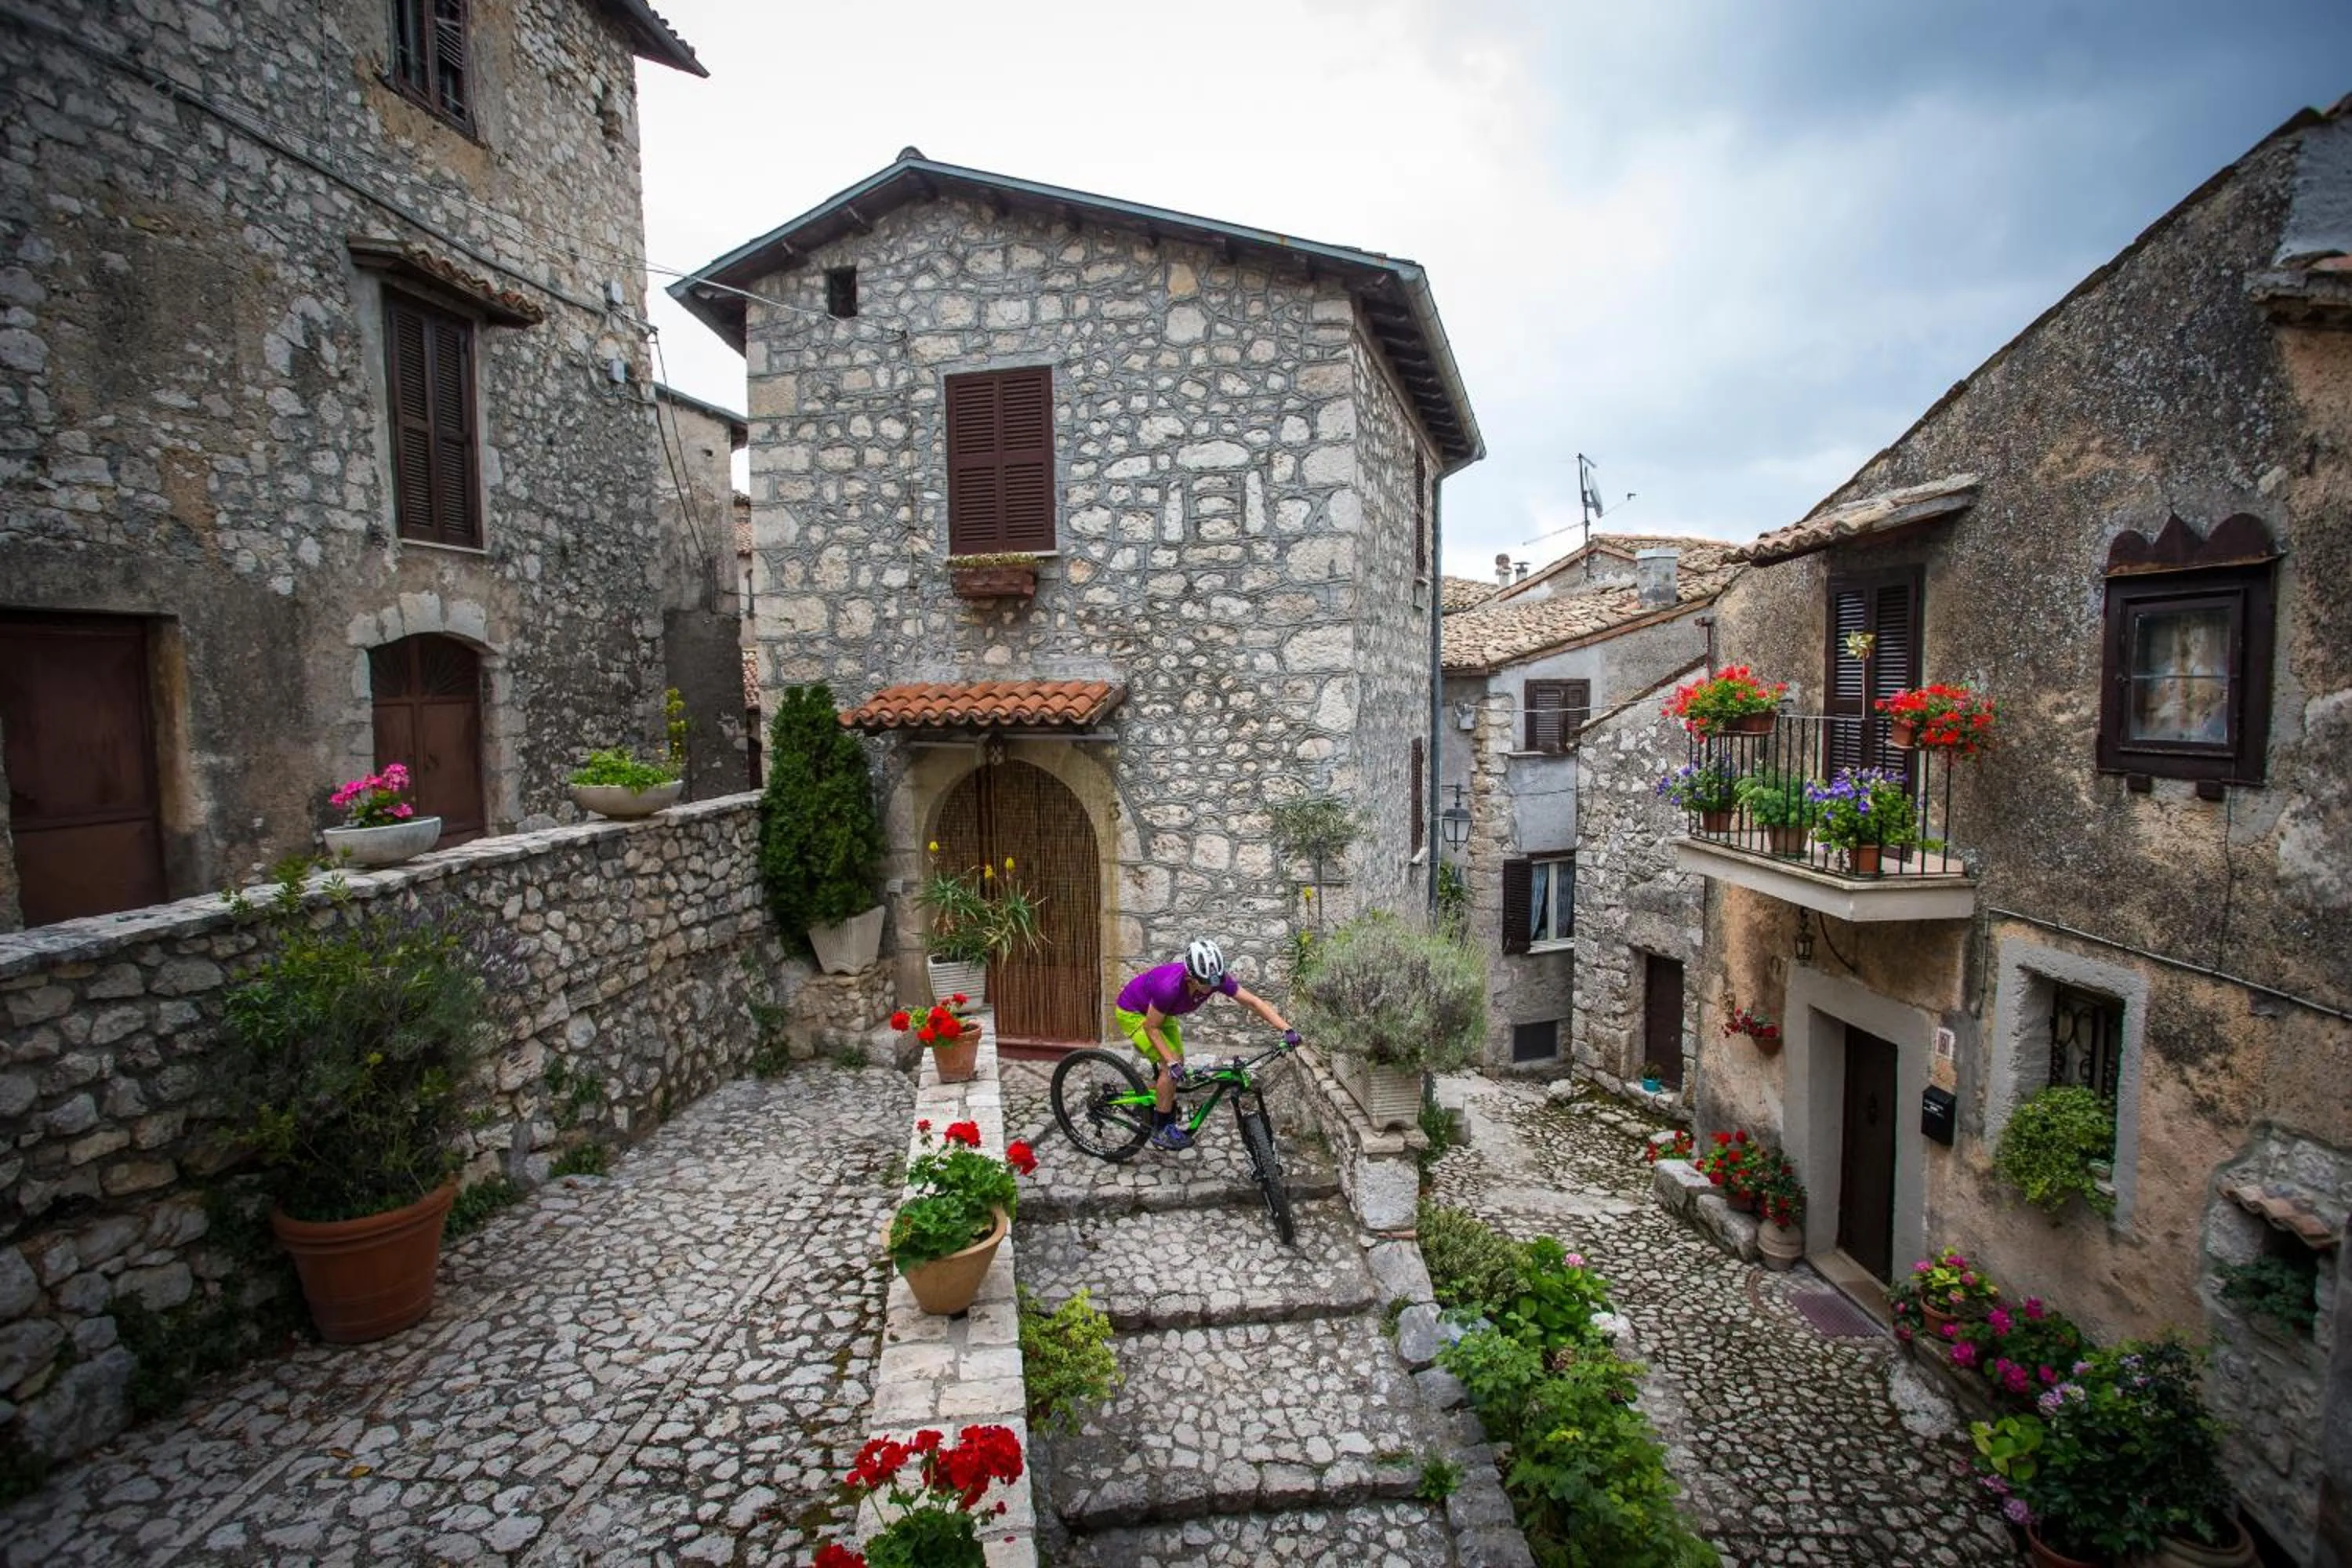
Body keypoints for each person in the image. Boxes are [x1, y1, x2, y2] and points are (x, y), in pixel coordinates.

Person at [1113, 938, 1296, 1150]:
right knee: (1169, 1067)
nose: (1210, 988)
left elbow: (1253, 1002)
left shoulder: (1214, 978)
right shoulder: (1169, 987)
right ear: (1190, 977)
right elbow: (1151, 1028)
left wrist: (1286, 1029)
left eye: (1215, 983)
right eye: (1205, 984)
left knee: (1177, 1062)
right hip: (1135, 1014)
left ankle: (1147, 1102)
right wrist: (1170, 1063)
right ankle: (1162, 1127)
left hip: (1164, 1014)